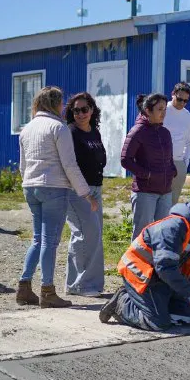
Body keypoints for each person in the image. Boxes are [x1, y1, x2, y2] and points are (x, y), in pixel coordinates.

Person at [99, 196, 190, 331]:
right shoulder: (173, 228)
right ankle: (121, 302)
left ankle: (153, 305)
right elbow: (165, 269)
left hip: (160, 278)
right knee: (158, 323)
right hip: (141, 274)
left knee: (185, 318)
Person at [16, 86, 98, 309]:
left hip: (30, 186)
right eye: (62, 103)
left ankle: (24, 287)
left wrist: (29, 182)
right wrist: (86, 194)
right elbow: (69, 165)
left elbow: (23, 165)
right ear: (55, 104)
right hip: (54, 187)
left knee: (37, 239)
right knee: (50, 242)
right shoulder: (58, 127)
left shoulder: (27, 129)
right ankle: (48, 291)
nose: (64, 108)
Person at [63, 92, 107, 297]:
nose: (80, 114)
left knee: (94, 235)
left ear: (92, 110)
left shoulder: (94, 132)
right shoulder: (70, 132)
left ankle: (84, 284)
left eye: (84, 109)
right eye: (76, 110)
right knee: (85, 234)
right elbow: (70, 165)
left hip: (96, 188)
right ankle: (80, 285)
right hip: (78, 190)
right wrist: (84, 191)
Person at [121, 93, 177, 238]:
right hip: (145, 192)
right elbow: (125, 160)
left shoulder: (165, 133)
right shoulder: (137, 131)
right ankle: (137, 255)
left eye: (165, 109)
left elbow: (169, 158)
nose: (163, 113)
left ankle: (156, 255)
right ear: (148, 110)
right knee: (142, 235)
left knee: (162, 234)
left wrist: (172, 170)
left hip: (165, 191)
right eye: (160, 109)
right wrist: (147, 175)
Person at [163, 82, 190, 207]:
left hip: (179, 163)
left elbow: (189, 141)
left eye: (186, 101)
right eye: (180, 99)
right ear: (173, 94)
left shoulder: (187, 114)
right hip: (161, 161)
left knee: (172, 202)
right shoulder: (163, 109)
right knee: (158, 199)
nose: (182, 103)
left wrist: (185, 164)